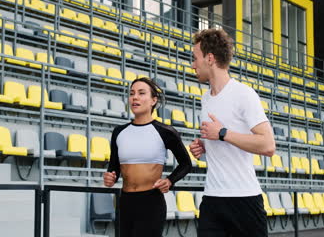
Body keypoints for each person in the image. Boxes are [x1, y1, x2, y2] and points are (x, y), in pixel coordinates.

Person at [189, 28, 276, 237]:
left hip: (244, 200)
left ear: (209, 58)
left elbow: (268, 146)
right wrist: (205, 146)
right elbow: (221, 139)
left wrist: (222, 134)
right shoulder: (205, 98)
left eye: (195, 58)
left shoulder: (243, 94)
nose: (192, 64)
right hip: (212, 198)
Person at [103, 77, 192, 237]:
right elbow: (114, 167)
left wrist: (170, 180)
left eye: (141, 93)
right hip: (125, 202)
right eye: (132, 93)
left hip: (151, 202)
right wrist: (110, 178)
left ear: (153, 100)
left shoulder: (166, 131)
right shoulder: (119, 132)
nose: (135, 97)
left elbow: (186, 163)